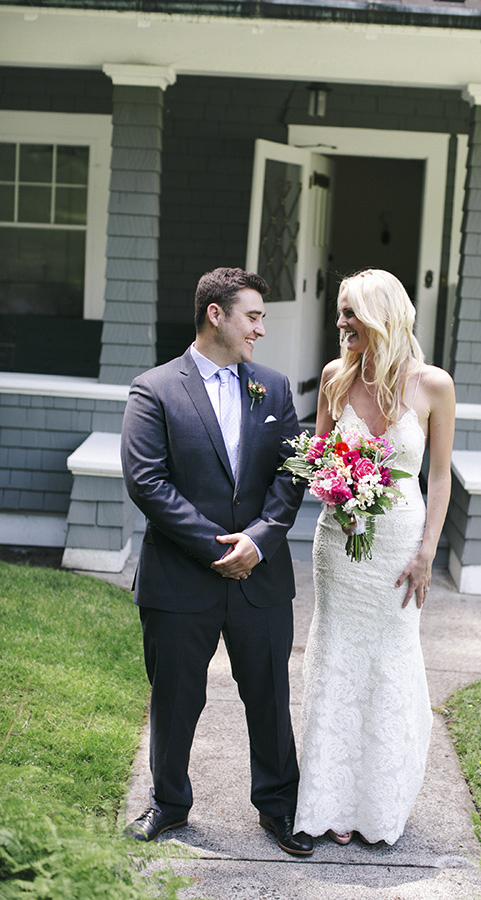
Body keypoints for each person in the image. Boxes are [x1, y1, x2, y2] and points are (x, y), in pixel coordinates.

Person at [121, 267, 313, 856]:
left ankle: (279, 808)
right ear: (216, 314)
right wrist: (215, 548)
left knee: (269, 698)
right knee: (176, 697)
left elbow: (292, 472)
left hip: (261, 573)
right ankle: (169, 804)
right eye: (252, 316)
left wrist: (258, 539)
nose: (260, 329)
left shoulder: (274, 387)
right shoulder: (154, 389)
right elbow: (147, 481)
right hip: (181, 578)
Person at [293, 268, 455, 846]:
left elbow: (438, 476)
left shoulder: (434, 385)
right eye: (340, 312)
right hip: (340, 543)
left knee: (390, 661)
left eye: (350, 313)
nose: (340, 324)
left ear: (383, 315)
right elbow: (318, 457)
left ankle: (378, 801)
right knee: (337, 656)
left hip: (400, 548)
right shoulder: (336, 377)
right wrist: (333, 483)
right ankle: (330, 802)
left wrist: (427, 553)